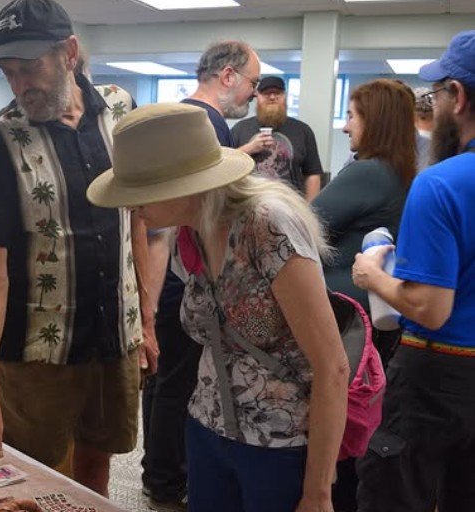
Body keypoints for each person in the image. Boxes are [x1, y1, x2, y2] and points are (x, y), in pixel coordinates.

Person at [88, 103, 349, 512]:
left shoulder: (268, 225)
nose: (130, 207)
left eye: (138, 194)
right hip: (208, 431)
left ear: (184, 183)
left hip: (279, 443)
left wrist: (318, 491)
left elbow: (332, 366)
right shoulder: (188, 233)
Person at [0, 0, 158, 498]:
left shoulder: (119, 110)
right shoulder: (1, 139)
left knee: (97, 462)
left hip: (116, 334)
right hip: (39, 350)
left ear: (69, 53)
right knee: (31, 477)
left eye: (31, 68)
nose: (22, 84)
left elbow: (136, 219)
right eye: (10, 73)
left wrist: (147, 322)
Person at [351, 30, 475, 512]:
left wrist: (372, 275)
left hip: (437, 374)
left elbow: (430, 306)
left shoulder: (441, 184)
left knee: (395, 493)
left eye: (437, 94)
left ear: (458, 97)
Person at [141, 40, 261, 512]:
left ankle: (160, 473)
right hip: (183, 276)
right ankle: (167, 481)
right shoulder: (206, 125)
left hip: (170, 276)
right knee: (177, 383)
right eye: (251, 83)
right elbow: (190, 218)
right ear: (227, 76)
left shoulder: (191, 120)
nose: (252, 94)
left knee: (164, 382)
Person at [313, 79, 417, 512]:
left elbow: (303, 223)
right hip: (369, 324)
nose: (344, 127)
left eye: (351, 116)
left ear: (373, 121)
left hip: (345, 323)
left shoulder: (369, 171)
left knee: (334, 424)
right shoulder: (400, 172)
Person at [231, 76, 324, 200]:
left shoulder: (303, 131)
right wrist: (250, 148)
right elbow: (226, 164)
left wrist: (309, 210)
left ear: (285, 96)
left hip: (291, 208)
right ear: (257, 96)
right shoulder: (240, 129)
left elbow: (312, 174)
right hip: (249, 207)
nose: (272, 97)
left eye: (277, 93)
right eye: (266, 93)